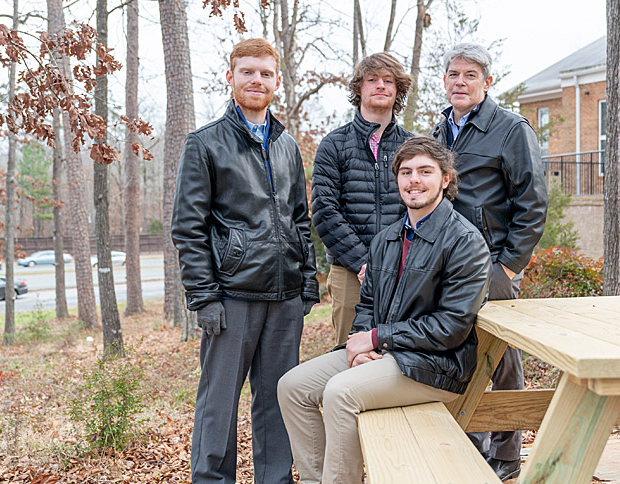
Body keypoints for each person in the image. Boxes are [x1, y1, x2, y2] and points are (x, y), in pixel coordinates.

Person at [278, 137, 492, 484]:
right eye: (406, 172)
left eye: (425, 171)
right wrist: (361, 343)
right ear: (397, 180)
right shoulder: (387, 239)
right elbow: (367, 304)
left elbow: (452, 326)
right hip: (387, 354)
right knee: (292, 387)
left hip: (435, 367)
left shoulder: (464, 242)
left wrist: (377, 337)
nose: (414, 180)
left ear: (446, 179)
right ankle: (319, 479)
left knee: (340, 392)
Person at [171, 38, 320, 484]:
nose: (257, 80)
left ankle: (274, 479)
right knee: (219, 401)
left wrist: (307, 282)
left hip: (284, 297)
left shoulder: (287, 145)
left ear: (277, 81)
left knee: (277, 400)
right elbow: (188, 227)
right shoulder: (205, 144)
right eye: (248, 72)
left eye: (265, 73)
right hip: (231, 297)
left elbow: (299, 217)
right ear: (232, 77)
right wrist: (204, 297)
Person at [431, 42, 548, 481]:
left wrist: (509, 267)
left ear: (486, 81)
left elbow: (532, 203)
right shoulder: (441, 131)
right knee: (460, 355)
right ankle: (470, 447)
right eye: (453, 75)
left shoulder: (510, 128)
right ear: (444, 81)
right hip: (446, 267)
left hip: (492, 266)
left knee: (503, 362)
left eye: (469, 75)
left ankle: (507, 454)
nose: (460, 82)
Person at [311, 52, 414, 347]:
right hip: (350, 272)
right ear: (359, 89)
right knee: (351, 352)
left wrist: (395, 260)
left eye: (388, 80)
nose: (380, 85)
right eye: (372, 80)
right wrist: (364, 262)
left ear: (398, 91)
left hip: (403, 270)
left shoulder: (413, 146)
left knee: (401, 355)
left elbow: (423, 207)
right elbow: (324, 211)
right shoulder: (334, 145)